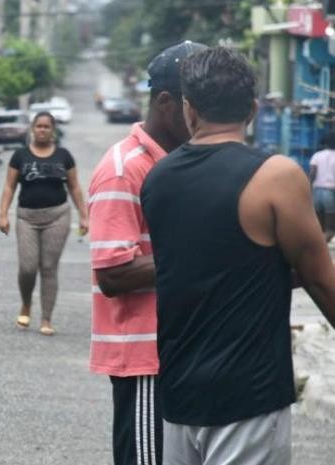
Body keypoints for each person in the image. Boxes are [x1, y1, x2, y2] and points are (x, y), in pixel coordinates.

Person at [141, 47, 335, 465]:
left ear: (190, 110)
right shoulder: (276, 177)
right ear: (252, 109)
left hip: (178, 395)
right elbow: (319, 278)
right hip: (248, 396)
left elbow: (213, 262)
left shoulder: (158, 179)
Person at [88, 41, 207, 465]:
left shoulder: (189, 161)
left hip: (186, 350)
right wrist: (208, 256)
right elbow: (113, 273)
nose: (204, 117)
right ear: (165, 102)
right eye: (198, 104)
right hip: (145, 360)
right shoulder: (125, 168)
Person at [0, 111, 88, 336]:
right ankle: (26, 303)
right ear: (32, 128)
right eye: (39, 126)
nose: (42, 130)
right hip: (27, 217)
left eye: (47, 127)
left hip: (57, 216)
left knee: (48, 267)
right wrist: (3, 214)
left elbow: (74, 187)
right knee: (28, 267)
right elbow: (9, 186)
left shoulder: (64, 156)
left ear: (53, 130)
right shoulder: (20, 156)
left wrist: (84, 215)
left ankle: (46, 318)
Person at [309, 132, 335, 241]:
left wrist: (308, 189)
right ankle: (324, 247)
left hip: (317, 192)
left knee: (319, 227)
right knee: (330, 228)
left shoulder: (317, 155)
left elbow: (312, 174)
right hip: (330, 192)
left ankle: (318, 244)